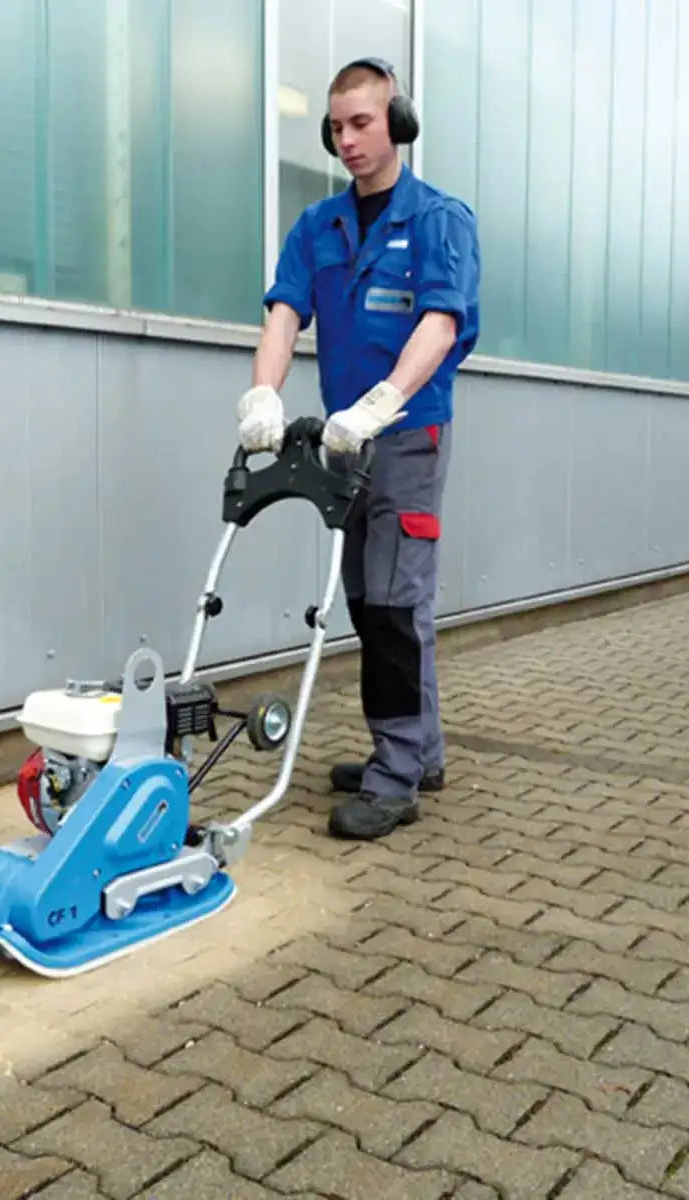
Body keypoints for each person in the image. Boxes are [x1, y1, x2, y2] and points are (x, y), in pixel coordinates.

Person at [237, 56, 481, 841]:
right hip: (343, 444)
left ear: (397, 123)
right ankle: (419, 752)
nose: (347, 140)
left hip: (407, 436)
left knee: (396, 604)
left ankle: (396, 776)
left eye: (362, 123)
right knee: (371, 600)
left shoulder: (440, 220)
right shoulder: (318, 227)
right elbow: (284, 314)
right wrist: (264, 393)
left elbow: (440, 322)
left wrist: (383, 403)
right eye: (336, 127)